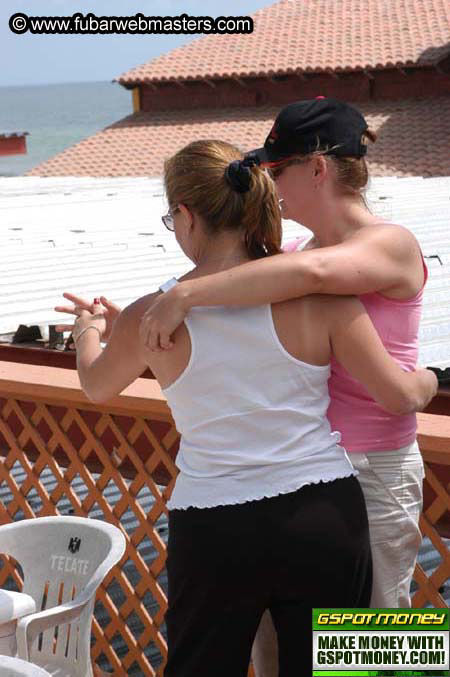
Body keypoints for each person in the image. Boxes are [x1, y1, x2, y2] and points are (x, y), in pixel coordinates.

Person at [55, 139, 437, 677]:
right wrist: (432, 378)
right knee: (351, 664)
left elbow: (96, 384)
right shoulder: (318, 291)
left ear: (186, 215)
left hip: (216, 523)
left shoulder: (158, 312)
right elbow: (396, 392)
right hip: (330, 505)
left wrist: (89, 330)